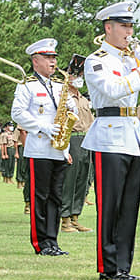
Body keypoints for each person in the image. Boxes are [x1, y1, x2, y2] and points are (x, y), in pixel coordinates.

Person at [83, 1, 140, 280]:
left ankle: (123, 265)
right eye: (124, 26)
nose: (130, 31)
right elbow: (114, 90)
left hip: (132, 134)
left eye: (131, 26)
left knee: (129, 206)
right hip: (108, 134)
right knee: (110, 205)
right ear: (109, 28)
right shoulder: (96, 60)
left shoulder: (131, 59)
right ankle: (107, 266)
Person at [11, 38, 75, 255]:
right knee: (40, 197)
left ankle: (53, 240)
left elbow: (69, 111)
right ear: (35, 61)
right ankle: (41, 243)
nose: (53, 62)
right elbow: (17, 113)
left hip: (58, 149)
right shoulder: (26, 85)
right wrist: (42, 127)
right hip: (38, 148)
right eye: (48, 58)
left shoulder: (59, 85)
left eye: (54, 58)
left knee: (56, 197)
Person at [61, 69, 94, 232]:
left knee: (83, 179)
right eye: (76, 76)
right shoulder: (64, 97)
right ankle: (65, 218)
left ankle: (75, 216)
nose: (79, 79)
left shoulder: (84, 99)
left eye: (81, 76)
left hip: (86, 139)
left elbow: (91, 121)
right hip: (72, 138)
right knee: (70, 180)